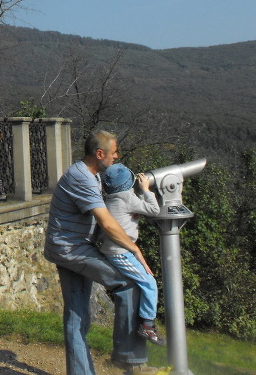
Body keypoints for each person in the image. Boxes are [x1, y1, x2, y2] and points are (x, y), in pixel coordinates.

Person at [44, 130, 156, 375]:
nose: (116, 156)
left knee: (77, 315)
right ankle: (128, 358)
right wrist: (134, 247)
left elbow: (108, 210)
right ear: (99, 154)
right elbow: (106, 223)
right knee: (128, 284)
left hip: (66, 247)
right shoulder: (83, 178)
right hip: (72, 250)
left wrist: (126, 213)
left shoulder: (89, 175)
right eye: (113, 152)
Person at [99, 164, 166, 346]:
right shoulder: (128, 198)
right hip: (120, 253)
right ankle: (147, 325)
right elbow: (154, 210)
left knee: (143, 282)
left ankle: (147, 324)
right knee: (150, 283)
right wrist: (146, 190)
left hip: (113, 250)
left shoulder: (109, 199)